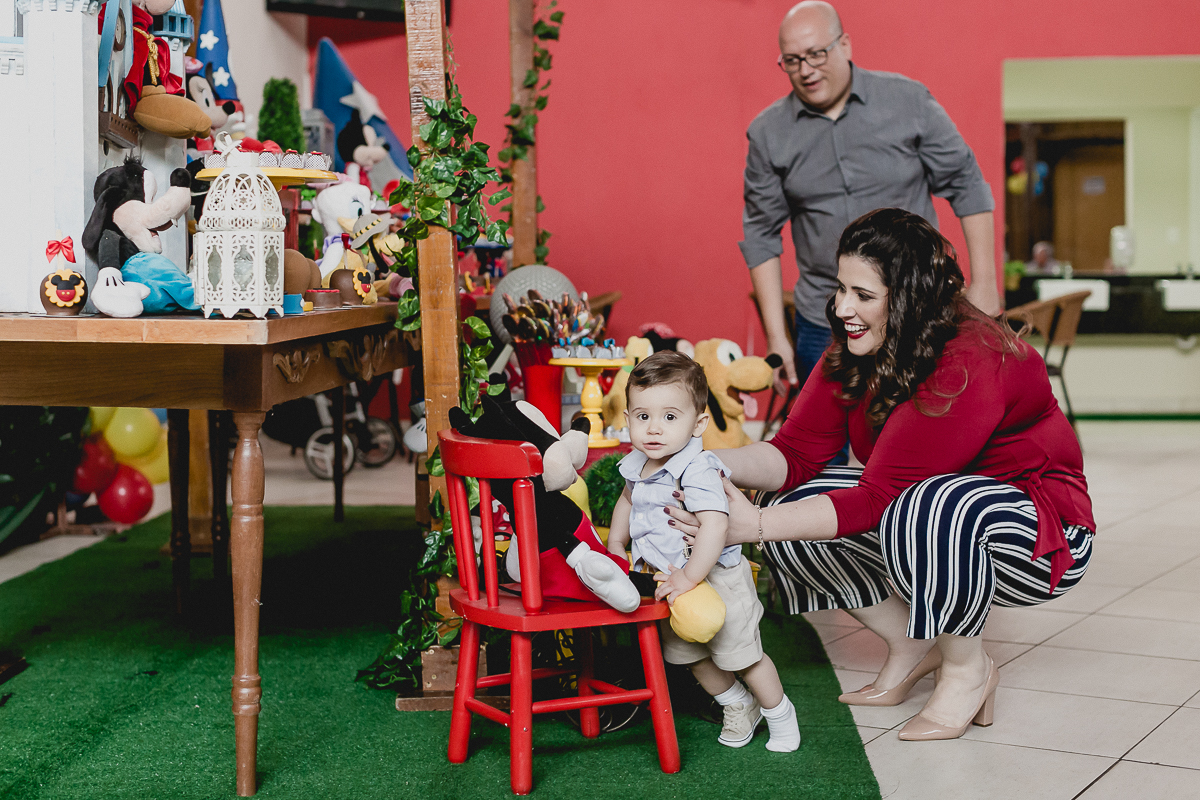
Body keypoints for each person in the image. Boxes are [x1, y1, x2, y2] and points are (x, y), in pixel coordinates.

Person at [671, 208, 1095, 741]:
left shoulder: (969, 360)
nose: (842, 307)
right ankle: (912, 645)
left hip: (1040, 535)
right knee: (788, 505)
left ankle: (968, 669)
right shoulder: (861, 343)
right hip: (928, 515)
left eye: (863, 295)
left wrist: (748, 527)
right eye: (840, 288)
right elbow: (793, 453)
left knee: (929, 504)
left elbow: (879, 498)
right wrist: (698, 460)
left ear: (911, 299)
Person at [741, 0, 999, 397]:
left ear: (844, 44)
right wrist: (777, 336)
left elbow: (967, 183)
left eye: (816, 54)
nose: (806, 70)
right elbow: (760, 234)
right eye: (792, 61)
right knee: (828, 434)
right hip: (825, 320)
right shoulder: (767, 133)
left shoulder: (909, 101)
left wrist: (985, 283)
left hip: (918, 311)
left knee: (929, 425)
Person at [606, 352, 801, 752]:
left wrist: (690, 576)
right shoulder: (637, 463)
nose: (654, 428)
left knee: (741, 655)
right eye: (642, 416)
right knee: (687, 655)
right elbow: (628, 499)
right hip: (669, 579)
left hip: (714, 575)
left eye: (669, 417)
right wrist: (616, 542)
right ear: (627, 419)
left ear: (698, 424)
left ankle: (780, 714)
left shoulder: (697, 468)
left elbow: (715, 525)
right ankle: (737, 703)